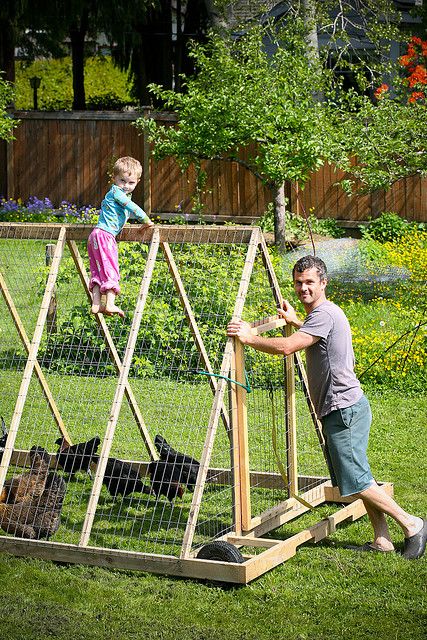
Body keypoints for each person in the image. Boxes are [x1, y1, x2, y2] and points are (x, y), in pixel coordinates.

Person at [227, 255, 426, 559]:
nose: (302, 288)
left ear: (323, 283)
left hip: (343, 410)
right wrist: (296, 321)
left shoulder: (323, 315)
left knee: (357, 480)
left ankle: (412, 524)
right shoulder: (322, 314)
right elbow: (314, 335)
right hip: (347, 408)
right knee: (359, 476)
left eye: (309, 282)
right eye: (298, 282)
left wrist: (250, 337)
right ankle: (382, 539)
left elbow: (287, 347)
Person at [87, 156, 154, 317]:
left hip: (96, 235)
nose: (126, 186)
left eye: (131, 183)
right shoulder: (117, 193)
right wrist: (146, 220)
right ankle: (110, 304)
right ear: (114, 179)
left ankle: (96, 304)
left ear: (137, 181)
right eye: (122, 181)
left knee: (97, 269)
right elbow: (131, 207)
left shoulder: (116, 193)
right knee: (111, 270)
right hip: (105, 236)